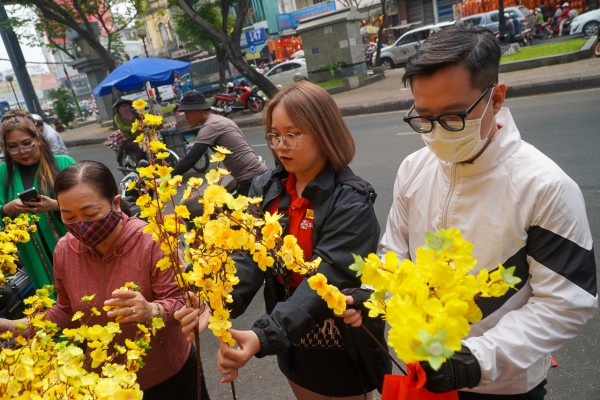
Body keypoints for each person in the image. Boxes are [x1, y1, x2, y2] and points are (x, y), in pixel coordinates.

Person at [344, 24, 597, 399]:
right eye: (424, 118)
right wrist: (375, 295)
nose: (436, 134)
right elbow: (394, 254)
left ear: (496, 98)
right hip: (423, 368)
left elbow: (566, 302)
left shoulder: (544, 187)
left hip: (503, 384)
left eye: (453, 117)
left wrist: (475, 360)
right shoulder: (414, 168)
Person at [175, 81, 391, 399]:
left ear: (324, 132)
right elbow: (248, 257)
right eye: (274, 135)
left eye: (293, 134)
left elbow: (324, 282)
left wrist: (263, 335)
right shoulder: (267, 187)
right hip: (288, 338)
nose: (280, 145)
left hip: (334, 340)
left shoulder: (350, 201)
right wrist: (215, 300)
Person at [0, 160, 208, 399]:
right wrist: (14, 327)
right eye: (68, 216)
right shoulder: (65, 250)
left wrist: (153, 310)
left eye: (90, 214)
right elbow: (66, 312)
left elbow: (185, 303)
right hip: (107, 383)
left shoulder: (152, 241)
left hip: (166, 376)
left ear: (116, 203)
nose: (81, 226)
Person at [0, 110, 76, 289]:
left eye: (27, 143)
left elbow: (91, 204)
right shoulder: (3, 174)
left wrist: (56, 205)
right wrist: (7, 209)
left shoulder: (64, 163)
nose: (22, 151)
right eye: (13, 146)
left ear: (39, 139)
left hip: (71, 246)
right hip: (32, 254)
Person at [170, 91, 267, 195]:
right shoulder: (218, 120)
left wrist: (167, 178)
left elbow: (191, 159)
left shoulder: (210, 126)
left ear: (198, 110)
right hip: (257, 173)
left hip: (249, 178)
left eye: (187, 113)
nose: (186, 117)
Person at [112, 99, 146, 163]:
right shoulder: (117, 117)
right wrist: (134, 128)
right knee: (139, 150)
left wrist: (151, 118)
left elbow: (143, 118)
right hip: (128, 137)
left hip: (140, 135)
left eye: (126, 105)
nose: (125, 107)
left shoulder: (133, 113)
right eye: (122, 106)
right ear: (118, 108)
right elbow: (121, 127)